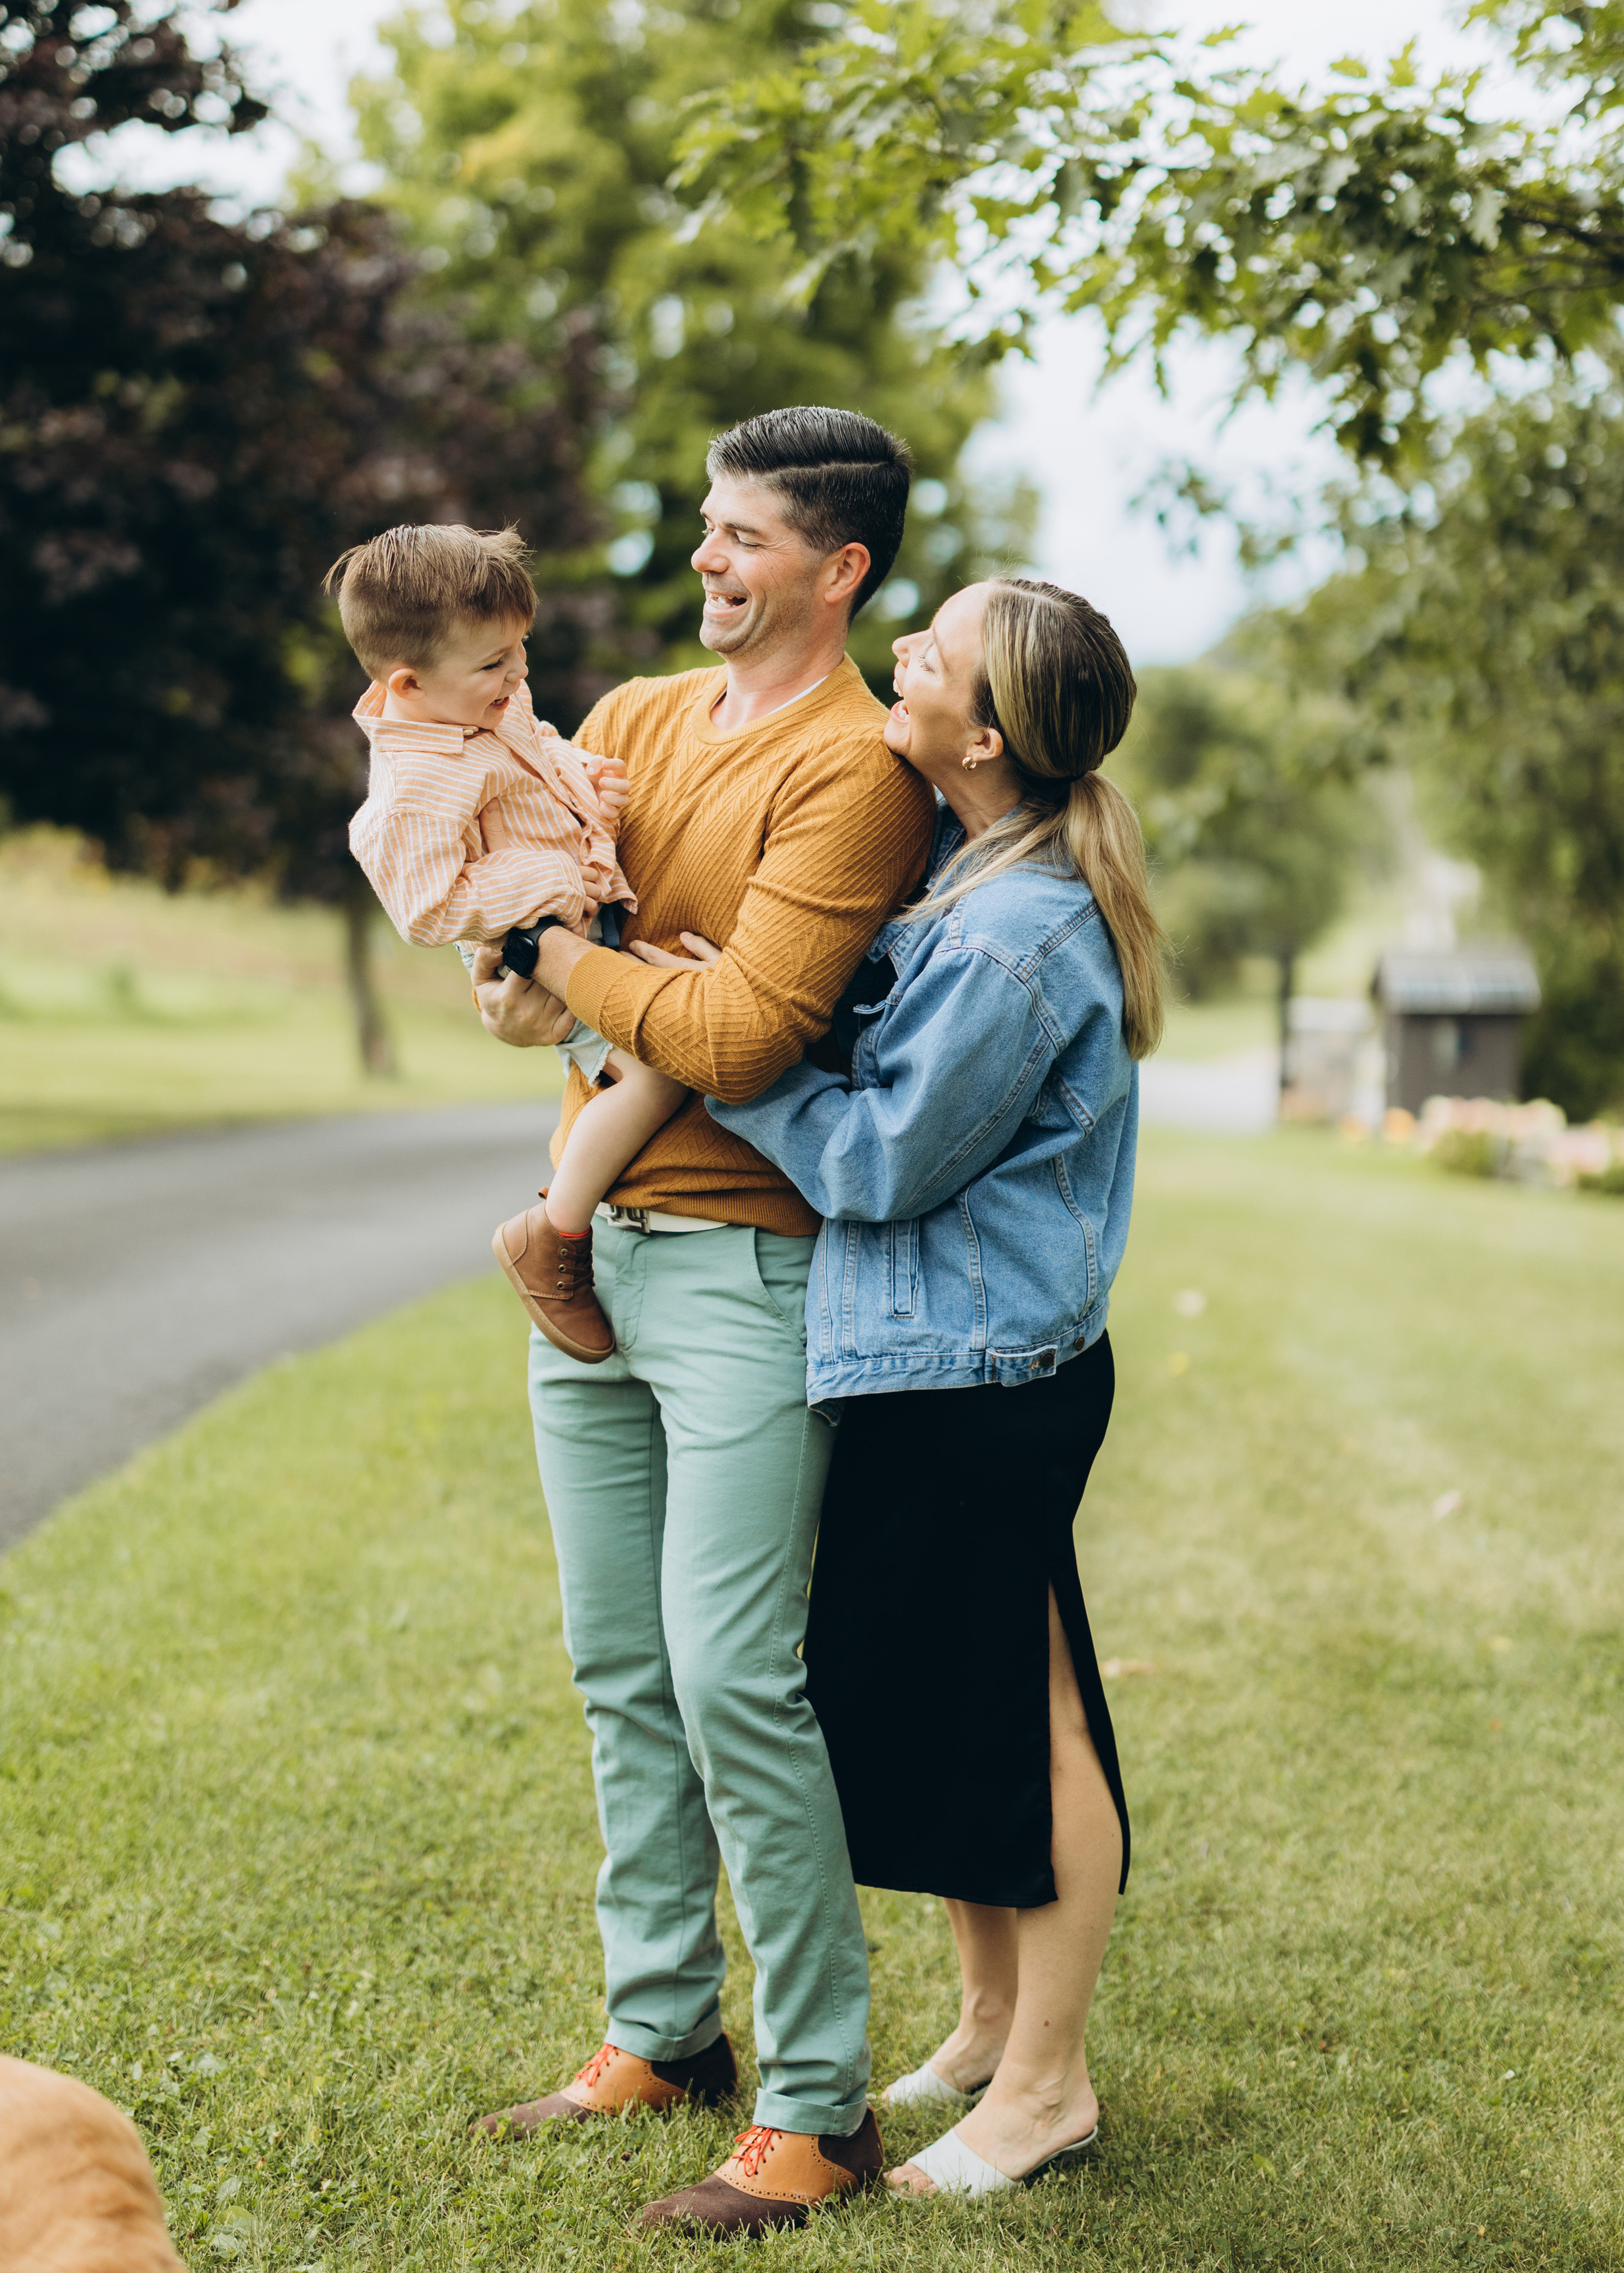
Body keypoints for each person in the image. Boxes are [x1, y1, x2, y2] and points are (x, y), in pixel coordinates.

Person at [466, 408, 939, 2234]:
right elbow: (520, 973)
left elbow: (744, 1039)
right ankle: (662, 2030)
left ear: (840, 568)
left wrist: (580, 971)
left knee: (736, 1675)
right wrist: (559, 969)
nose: (705, 559)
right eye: (704, 527)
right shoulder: (636, 719)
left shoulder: (857, 772)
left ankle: (818, 2111)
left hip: (750, 1270)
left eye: (744, 536)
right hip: (585, 1254)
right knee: (617, 1665)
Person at [708, 575, 1166, 2200]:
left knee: (1028, 1713)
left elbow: (878, 1160)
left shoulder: (1010, 930)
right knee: (955, 1703)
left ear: (984, 735)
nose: (899, 651)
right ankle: (984, 2027)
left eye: (933, 651)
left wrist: (725, 1054)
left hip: (980, 1371)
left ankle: (1045, 2088)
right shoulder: (965, 874)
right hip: (935, 1359)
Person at [329, 522, 687, 1362]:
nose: (519, 673)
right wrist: (550, 882)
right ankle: (554, 1231)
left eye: (521, 648)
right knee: (660, 1070)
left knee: (647, 1052)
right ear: (408, 683)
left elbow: (534, 758)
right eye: (496, 662)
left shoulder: (481, 700)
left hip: (571, 914)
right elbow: (427, 909)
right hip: (527, 941)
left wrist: (582, 780)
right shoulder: (414, 785)